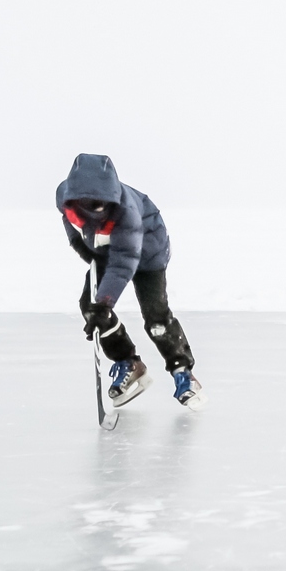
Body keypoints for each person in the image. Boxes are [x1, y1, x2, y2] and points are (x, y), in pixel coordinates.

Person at [56, 152, 199, 406]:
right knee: (91, 309)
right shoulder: (64, 198)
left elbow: (125, 261)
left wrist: (106, 302)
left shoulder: (127, 211)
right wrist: (85, 249)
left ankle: (183, 372)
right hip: (107, 250)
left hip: (147, 254)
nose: (98, 209)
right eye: (92, 203)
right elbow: (73, 227)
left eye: (103, 204)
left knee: (156, 318)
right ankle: (128, 363)